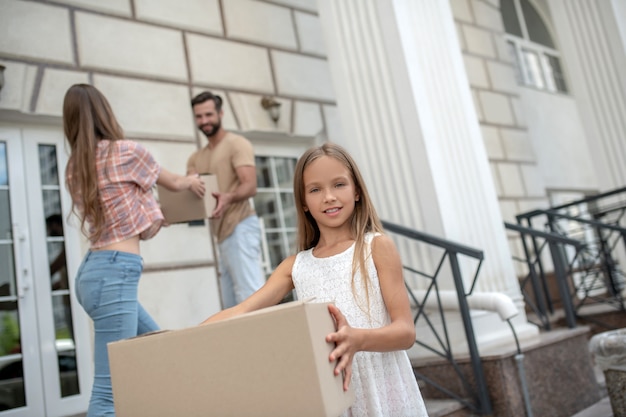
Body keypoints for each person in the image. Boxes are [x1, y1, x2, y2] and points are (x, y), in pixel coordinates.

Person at [202, 142, 429, 417]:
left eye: (339, 184)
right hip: (331, 398)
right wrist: (185, 339)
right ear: (304, 203)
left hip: (385, 393)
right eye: (315, 189)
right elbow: (241, 310)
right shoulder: (295, 266)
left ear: (357, 191)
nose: (329, 197)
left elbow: (406, 332)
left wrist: (358, 339)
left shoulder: (377, 247)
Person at [63, 83, 205, 417]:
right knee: (106, 396)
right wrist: (192, 182)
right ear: (104, 112)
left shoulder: (74, 168)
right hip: (115, 274)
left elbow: (130, 223)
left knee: (157, 346)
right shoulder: (127, 152)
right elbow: (176, 183)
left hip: (93, 272)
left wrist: (156, 216)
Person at [187, 91, 265, 309]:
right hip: (221, 234)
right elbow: (190, 192)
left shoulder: (236, 144)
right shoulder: (196, 158)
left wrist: (227, 197)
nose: (204, 121)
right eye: (199, 116)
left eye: (209, 115)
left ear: (221, 113)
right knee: (231, 305)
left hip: (240, 226)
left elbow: (250, 185)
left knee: (251, 295)